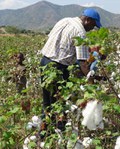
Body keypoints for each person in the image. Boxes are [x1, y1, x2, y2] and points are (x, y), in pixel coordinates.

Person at [39, 8, 102, 137]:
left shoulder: (65, 20)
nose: (92, 28)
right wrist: (91, 81)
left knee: (47, 103)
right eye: (93, 25)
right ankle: (59, 135)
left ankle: (44, 134)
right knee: (60, 104)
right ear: (87, 20)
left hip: (44, 64)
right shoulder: (80, 33)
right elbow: (82, 62)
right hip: (58, 68)